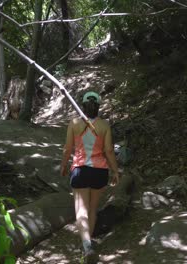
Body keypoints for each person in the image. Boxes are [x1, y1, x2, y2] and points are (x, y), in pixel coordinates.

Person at [60, 91, 120, 263]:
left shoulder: (74, 123)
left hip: (80, 170)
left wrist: (64, 165)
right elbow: (108, 151)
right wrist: (115, 171)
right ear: (98, 106)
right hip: (99, 171)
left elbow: (67, 148)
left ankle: (87, 245)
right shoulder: (104, 125)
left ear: (83, 105)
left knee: (81, 211)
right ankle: (88, 245)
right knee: (92, 209)